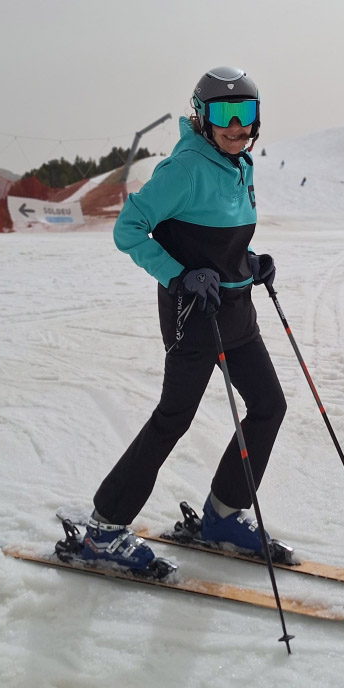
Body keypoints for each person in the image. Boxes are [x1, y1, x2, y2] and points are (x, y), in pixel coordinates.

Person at [80, 66, 287, 572]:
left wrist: (249, 262)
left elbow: (215, 237)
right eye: (224, 113)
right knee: (174, 418)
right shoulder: (184, 169)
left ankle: (223, 514)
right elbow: (129, 229)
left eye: (245, 113)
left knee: (268, 406)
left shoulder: (239, 165)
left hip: (236, 311)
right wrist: (178, 275)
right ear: (202, 116)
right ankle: (104, 528)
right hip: (193, 315)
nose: (237, 126)